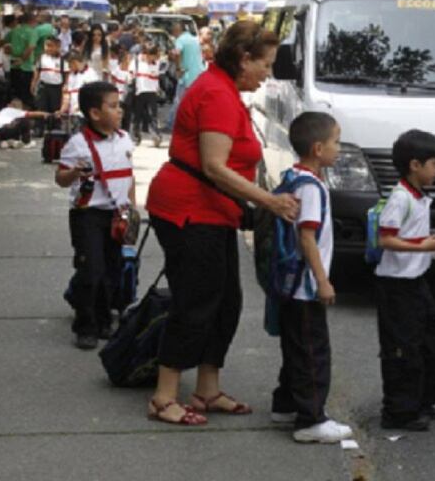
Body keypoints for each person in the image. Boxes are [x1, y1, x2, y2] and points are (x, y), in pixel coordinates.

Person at [143, 21, 299, 426]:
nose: (268, 72)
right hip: (190, 210)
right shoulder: (215, 93)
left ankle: (207, 388)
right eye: (264, 64)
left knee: (226, 302)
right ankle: (164, 396)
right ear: (243, 59)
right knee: (195, 302)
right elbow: (214, 166)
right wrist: (270, 201)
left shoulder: (225, 89)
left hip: (213, 212)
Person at [270, 111, 354, 444]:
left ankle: (286, 403)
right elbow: (308, 238)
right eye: (336, 141)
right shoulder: (312, 188)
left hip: (289, 283)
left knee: (295, 347)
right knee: (312, 352)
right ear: (318, 148)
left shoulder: (292, 176)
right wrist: (323, 280)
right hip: (304, 286)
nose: (339, 148)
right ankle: (311, 419)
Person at [374, 129, 435, 431]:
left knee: (434, 341)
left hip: (417, 282)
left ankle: (422, 400)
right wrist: (422, 246)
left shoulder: (419, 196)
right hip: (397, 286)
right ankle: (398, 411)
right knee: (403, 349)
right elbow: (385, 239)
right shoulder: (400, 198)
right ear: (415, 165)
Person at [55, 82, 135, 349]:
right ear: (94, 113)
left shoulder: (124, 138)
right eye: (112, 106)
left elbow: (129, 176)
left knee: (112, 270)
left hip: (115, 214)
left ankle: (104, 320)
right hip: (87, 214)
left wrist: (131, 210)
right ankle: (85, 325)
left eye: (119, 105)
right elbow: (60, 179)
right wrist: (74, 172)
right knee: (91, 269)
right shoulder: (77, 144)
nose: (119, 110)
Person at [167, 22, 205, 130]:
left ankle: (171, 124)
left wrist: (178, 67)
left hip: (186, 75)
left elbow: (177, 53)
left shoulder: (180, 40)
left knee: (178, 100)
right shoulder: (194, 39)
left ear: (176, 31)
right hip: (198, 73)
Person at [132, 42, 163, 147]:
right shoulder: (136, 62)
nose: (152, 58)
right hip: (139, 92)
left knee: (152, 115)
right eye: (150, 55)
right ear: (145, 54)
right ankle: (136, 136)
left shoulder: (157, 63)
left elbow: (157, 74)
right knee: (137, 116)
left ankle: (156, 135)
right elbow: (130, 73)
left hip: (152, 92)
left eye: (154, 55)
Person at [31, 37, 66, 125]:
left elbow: (66, 75)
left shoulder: (62, 60)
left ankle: (54, 128)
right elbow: (37, 71)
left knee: (55, 108)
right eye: (46, 45)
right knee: (41, 107)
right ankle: (39, 128)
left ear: (58, 47)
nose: (48, 48)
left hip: (56, 88)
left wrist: (65, 86)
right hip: (43, 87)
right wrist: (33, 83)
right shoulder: (42, 58)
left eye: (51, 46)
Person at [7, 13, 37, 108]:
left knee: (15, 92)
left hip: (13, 65)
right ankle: (25, 113)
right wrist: (22, 59)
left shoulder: (14, 31)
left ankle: (15, 112)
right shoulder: (32, 32)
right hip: (26, 67)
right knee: (26, 93)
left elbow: (3, 42)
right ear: (31, 21)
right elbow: (31, 47)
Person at [60, 51, 100, 123]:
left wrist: (81, 107)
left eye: (70, 65)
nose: (69, 68)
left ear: (74, 62)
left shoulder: (91, 74)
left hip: (84, 113)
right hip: (72, 112)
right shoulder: (71, 76)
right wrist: (62, 110)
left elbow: (93, 95)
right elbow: (67, 95)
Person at [108, 44, 135, 132]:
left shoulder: (131, 72)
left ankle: (125, 133)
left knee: (127, 117)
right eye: (127, 59)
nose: (129, 61)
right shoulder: (116, 70)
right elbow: (112, 83)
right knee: (118, 116)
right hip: (118, 97)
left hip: (128, 97)